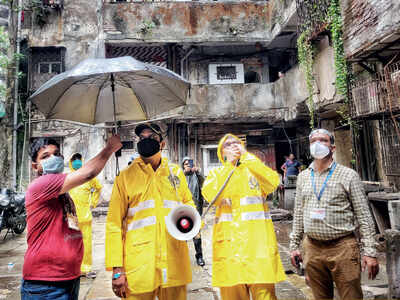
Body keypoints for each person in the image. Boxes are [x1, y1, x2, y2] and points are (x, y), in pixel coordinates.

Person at [21, 135, 121, 300]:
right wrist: (109, 148)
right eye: (45, 156)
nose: (53, 158)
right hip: (46, 283)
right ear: (35, 166)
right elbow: (88, 173)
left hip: (68, 278)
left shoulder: (62, 190)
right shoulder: (40, 185)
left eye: (57, 154)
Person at [105, 123, 196, 300]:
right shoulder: (125, 177)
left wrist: (193, 222)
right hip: (139, 265)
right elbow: (114, 224)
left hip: (173, 261)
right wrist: (117, 270)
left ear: (162, 144)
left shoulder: (175, 173)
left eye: (152, 137)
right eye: (142, 138)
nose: (146, 141)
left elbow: (187, 203)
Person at [289, 128, 379, 300]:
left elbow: (364, 216)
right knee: (320, 296)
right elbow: (299, 213)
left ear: (333, 147)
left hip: (343, 247)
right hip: (312, 248)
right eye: (313, 141)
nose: (318, 144)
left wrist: (370, 252)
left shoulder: (348, 175)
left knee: (350, 296)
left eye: (323, 140)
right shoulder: (303, 177)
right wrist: (294, 246)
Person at [202, 134, 286, 300]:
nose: (233, 146)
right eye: (228, 145)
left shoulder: (254, 171)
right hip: (229, 250)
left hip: (257, 249)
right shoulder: (217, 173)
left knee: (265, 296)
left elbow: (272, 182)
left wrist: (247, 158)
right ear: (221, 153)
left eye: (236, 143)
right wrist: (229, 165)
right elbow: (210, 194)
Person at [68, 153, 103, 279]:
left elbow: (98, 188)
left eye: (78, 159)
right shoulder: (68, 177)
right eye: (74, 160)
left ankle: (86, 268)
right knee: (71, 244)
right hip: (71, 218)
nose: (77, 162)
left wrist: (93, 203)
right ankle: (73, 269)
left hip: (85, 216)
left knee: (86, 244)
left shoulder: (88, 176)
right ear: (70, 162)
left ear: (82, 161)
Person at [181, 156, 205, 267]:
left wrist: (198, 172)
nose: (188, 165)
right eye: (186, 164)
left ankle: (199, 257)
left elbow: (204, 184)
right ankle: (183, 259)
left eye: (190, 163)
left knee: (196, 235)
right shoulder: (179, 177)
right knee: (183, 236)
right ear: (183, 166)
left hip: (196, 210)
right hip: (183, 211)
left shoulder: (196, 175)